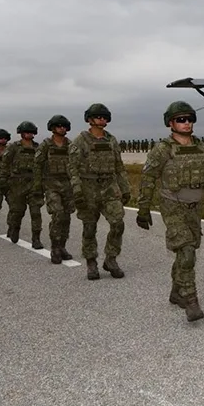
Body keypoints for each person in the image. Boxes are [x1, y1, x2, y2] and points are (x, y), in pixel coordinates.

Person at [136, 101, 204, 322]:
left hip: (195, 206)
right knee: (187, 251)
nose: (186, 123)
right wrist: (143, 208)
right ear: (170, 123)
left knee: (186, 252)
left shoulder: (201, 147)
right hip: (172, 205)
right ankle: (191, 301)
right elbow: (148, 179)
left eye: (189, 119)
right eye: (181, 119)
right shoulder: (162, 150)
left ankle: (176, 291)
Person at [68, 103, 129, 280]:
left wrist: (124, 189)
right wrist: (77, 191)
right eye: (98, 116)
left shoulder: (111, 140)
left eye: (104, 117)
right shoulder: (81, 140)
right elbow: (72, 168)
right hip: (88, 188)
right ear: (90, 119)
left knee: (118, 223)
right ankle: (91, 262)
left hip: (109, 188)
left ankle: (111, 259)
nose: (102, 119)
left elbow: (119, 166)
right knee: (89, 227)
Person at [35, 115, 76, 264]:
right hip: (51, 185)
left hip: (68, 185)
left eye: (64, 126)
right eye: (59, 126)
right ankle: (55, 248)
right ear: (52, 128)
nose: (62, 128)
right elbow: (37, 166)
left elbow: (77, 165)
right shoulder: (46, 145)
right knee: (58, 215)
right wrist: (37, 187)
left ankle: (63, 246)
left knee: (66, 217)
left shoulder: (70, 145)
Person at [0, 121, 44, 248]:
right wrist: (4, 179)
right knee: (17, 211)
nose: (29, 134)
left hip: (34, 183)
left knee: (36, 212)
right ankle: (15, 228)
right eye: (26, 132)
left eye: (31, 132)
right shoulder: (14, 147)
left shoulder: (37, 147)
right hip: (17, 183)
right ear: (21, 133)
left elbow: (42, 164)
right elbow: (5, 163)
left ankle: (36, 238)